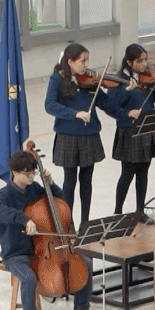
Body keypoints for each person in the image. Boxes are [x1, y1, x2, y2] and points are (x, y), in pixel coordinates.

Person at [0, 150, 96, 310]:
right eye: (26, 173)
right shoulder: (5, 194)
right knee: (29, 279)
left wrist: (51, 184)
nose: (30, 176)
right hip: (17, 253)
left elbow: (60, 203)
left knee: (86, 263)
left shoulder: (35, 188)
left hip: (43, 248)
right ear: (14, 172)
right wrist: (24, 218)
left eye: (32, 173)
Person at [45, 42, 122, 225]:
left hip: (89, 136)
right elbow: (50, 105)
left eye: (87, 61)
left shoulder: (90, 82)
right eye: (82, 61)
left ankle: (85, 222)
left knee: (87, 182)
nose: (86, 65)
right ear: (70, 62)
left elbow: (106, 104)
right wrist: (74, 114)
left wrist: (123, 94)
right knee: (69, 183)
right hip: (68, 136)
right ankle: (67, 223)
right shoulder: (57, 79)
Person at [106, 43, 155, 224]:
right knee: (127, 173)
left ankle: (140, 211)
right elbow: (111, 106)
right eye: (140, 61)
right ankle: (118, 213)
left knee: (143, 172)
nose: (145, 64)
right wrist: (127, 110)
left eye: (146, 59)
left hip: (148, 128)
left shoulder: (146, 78)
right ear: (130, 63)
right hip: (129, 130)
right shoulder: (119, 80)